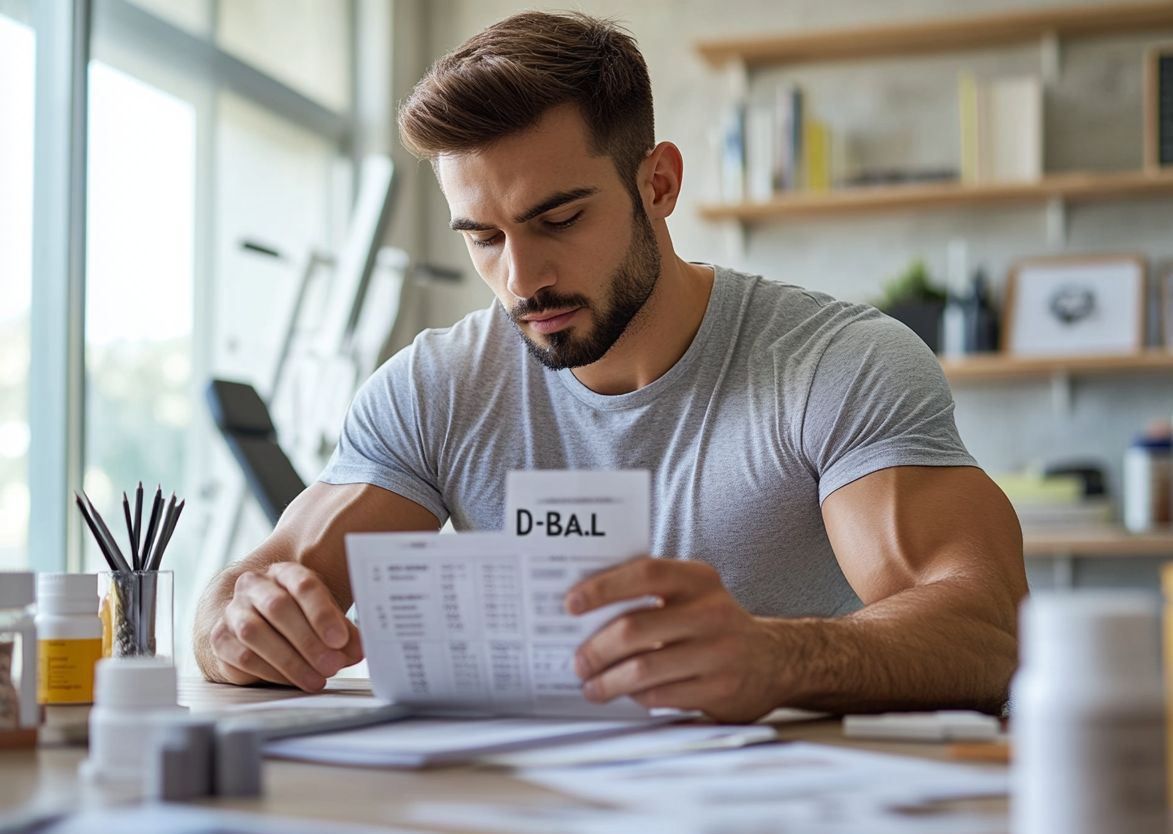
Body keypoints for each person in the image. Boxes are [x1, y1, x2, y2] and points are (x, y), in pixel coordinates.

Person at [193, 11, 1026, 723]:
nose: (520, 279)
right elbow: (250, 596)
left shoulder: (837, 364)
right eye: (482, 236)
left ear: (658, 183)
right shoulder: (434, 387)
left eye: (558, 217)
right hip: (537, 830)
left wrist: (783, 658)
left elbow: (990, 630)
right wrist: (236, 625)